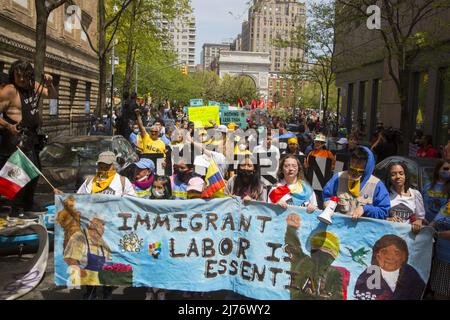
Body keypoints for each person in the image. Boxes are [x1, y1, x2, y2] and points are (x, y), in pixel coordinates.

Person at [0, 60, 57, 218]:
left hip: (31, 136)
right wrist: (8, 126)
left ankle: (27, 203)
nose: (22, 80)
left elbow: (51, 95)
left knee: (34, 171)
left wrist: (50, 84)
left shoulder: (33, 85)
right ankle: (16, 208)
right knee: (20, 172)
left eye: (25, 76)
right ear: (13, 75)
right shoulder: (10, 90)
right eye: (19, 76)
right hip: (15, 138)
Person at [285, 214, 350, 300]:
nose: (321, 256)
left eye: (326, 251)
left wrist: (291, 229)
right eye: (319, 250)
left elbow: (338, 296)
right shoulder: (304, 262)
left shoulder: (334, 274)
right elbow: (293, 246)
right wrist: (291, 229)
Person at [322, 146, 390, 220]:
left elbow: (384, 211)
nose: (354, 165)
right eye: (353, 161)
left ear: (367, 165)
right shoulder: (338, 178)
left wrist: (365, 209)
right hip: (338, 227)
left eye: (359, 163)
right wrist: (327, 201)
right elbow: (327, 195)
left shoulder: (377, 185)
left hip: (362, 229)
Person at [354, 234, 426, 300]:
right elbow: (359, 294)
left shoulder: (411, 274)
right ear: (377, 256)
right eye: (384, 252)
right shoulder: (368, 275)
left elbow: (419, 293)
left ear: (404, 257)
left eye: (396, 253)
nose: (390, 257)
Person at [63, 213, 113, 299]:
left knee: (108, 290)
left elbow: (110, 258)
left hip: (105, 275)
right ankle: (92, 293)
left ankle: (107, 293)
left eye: (102, 226)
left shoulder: (104, 240)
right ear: (91, 225)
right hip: (89, 276)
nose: (101, 229)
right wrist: (78, 271)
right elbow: (69, 257)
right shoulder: (80, 237)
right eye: (99, 225)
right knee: (90, 294)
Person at [384, 162, 425, 233]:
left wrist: (418, 222)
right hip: (389, 234)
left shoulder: (415, 194)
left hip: (409, 237)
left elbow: (420, 218)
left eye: (401, 173)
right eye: (393, 174)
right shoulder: (384, 194)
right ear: (389, 177)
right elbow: (377, 216)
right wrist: (388, 219)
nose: (398, 177)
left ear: (406, 175)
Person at [429, 200, 450, 300]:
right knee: (439, 294)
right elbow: (435, 221)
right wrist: (428, 228)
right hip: (441, 258)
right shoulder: (447, 205)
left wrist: (437, 234)